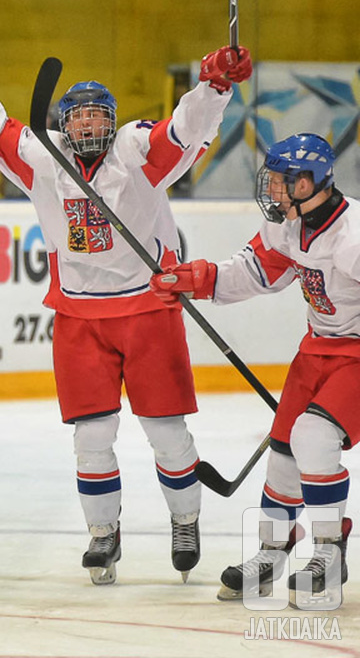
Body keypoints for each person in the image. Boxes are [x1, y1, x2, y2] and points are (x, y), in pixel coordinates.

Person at [0, 28, 252, 585]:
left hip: (149, 310)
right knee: (91, 436)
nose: (90, 127)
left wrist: (214, 86)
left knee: (167, 433)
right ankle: (104, 534)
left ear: (113, 120)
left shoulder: (135, 150)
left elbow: (184, 132)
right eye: (79, 118)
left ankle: (186, 519)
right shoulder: (45, 162)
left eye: (99, 116)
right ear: (63, 124)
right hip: (80, 318)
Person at [151, 133, 355, 608]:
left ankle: (329, 551)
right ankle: (271, 552)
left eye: (285, 181)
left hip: (358, 355)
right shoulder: (289, 227)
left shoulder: (354, 237)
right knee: (283, 455)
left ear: (311, 183)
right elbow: (255, 271)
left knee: (314, 439)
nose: (276, 191)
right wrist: (197, 279)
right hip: (316, 350)